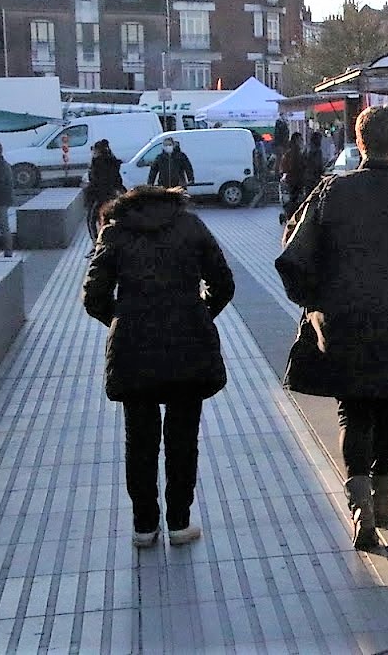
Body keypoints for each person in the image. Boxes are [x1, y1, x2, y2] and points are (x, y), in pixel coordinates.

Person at [275, 105, 388, 550]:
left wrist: (313, 301)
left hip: (342, 322)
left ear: (359, 145)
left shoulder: (329, 192)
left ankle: (358, 504)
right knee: (387, 409)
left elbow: (291, 251)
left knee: (352, 411)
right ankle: (382, 500)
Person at [81, 186, 235, 547]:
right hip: (187, 345)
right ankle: (180, 522)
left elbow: (93, 296)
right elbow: (223, 284)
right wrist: (199, 314)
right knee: (184, 438)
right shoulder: (191, 226)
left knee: (140, 439)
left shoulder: (115, 232)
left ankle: (144, 526)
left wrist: (123, 320)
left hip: (134, 349)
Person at [84, 139, 126, 247]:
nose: (93, 153)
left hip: (100, 196)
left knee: (91, 220)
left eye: (94, 151)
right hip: (112, 194)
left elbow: (95, 182)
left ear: (98, 151)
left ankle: (96, 244)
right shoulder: (112, 162)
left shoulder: (97, 163)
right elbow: (118, 180)